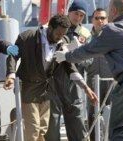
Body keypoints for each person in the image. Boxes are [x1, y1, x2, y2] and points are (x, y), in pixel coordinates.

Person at [54, 0, 123, 140]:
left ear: (113, 10)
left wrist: (66, 56)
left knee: (117, 131)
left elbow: (89, 50)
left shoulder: (111, 29)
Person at [3, 14, 97, 141]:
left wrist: (86, 88)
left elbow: (69, 67)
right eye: (58, 34)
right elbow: (13, 55)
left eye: (63, 34)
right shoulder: (26, 37)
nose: (60, 38)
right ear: (50, 28)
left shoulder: (62, 41)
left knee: (43, 129)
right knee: (33, 129)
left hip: (46, 91)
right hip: (28, 89)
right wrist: (11, 75)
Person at [45, 1, 93, 141]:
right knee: (52, 121)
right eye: (75, 13)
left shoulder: (85, 34)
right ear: (69, 12)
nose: (77, 17)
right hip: (54, 80)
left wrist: (77, 55)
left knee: (76, 120)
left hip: (74, 82)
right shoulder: (54, 27)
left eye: (81, 15)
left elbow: (89, 61)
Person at [85, 8, 113, 141]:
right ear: (92, 20)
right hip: (92, 83)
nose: (100, 21)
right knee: (92, 116)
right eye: (97, 18)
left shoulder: (114, 37)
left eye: (102, 18)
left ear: (107, 20)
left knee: (112, 115)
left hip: (111, 82)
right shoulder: (86, 38)